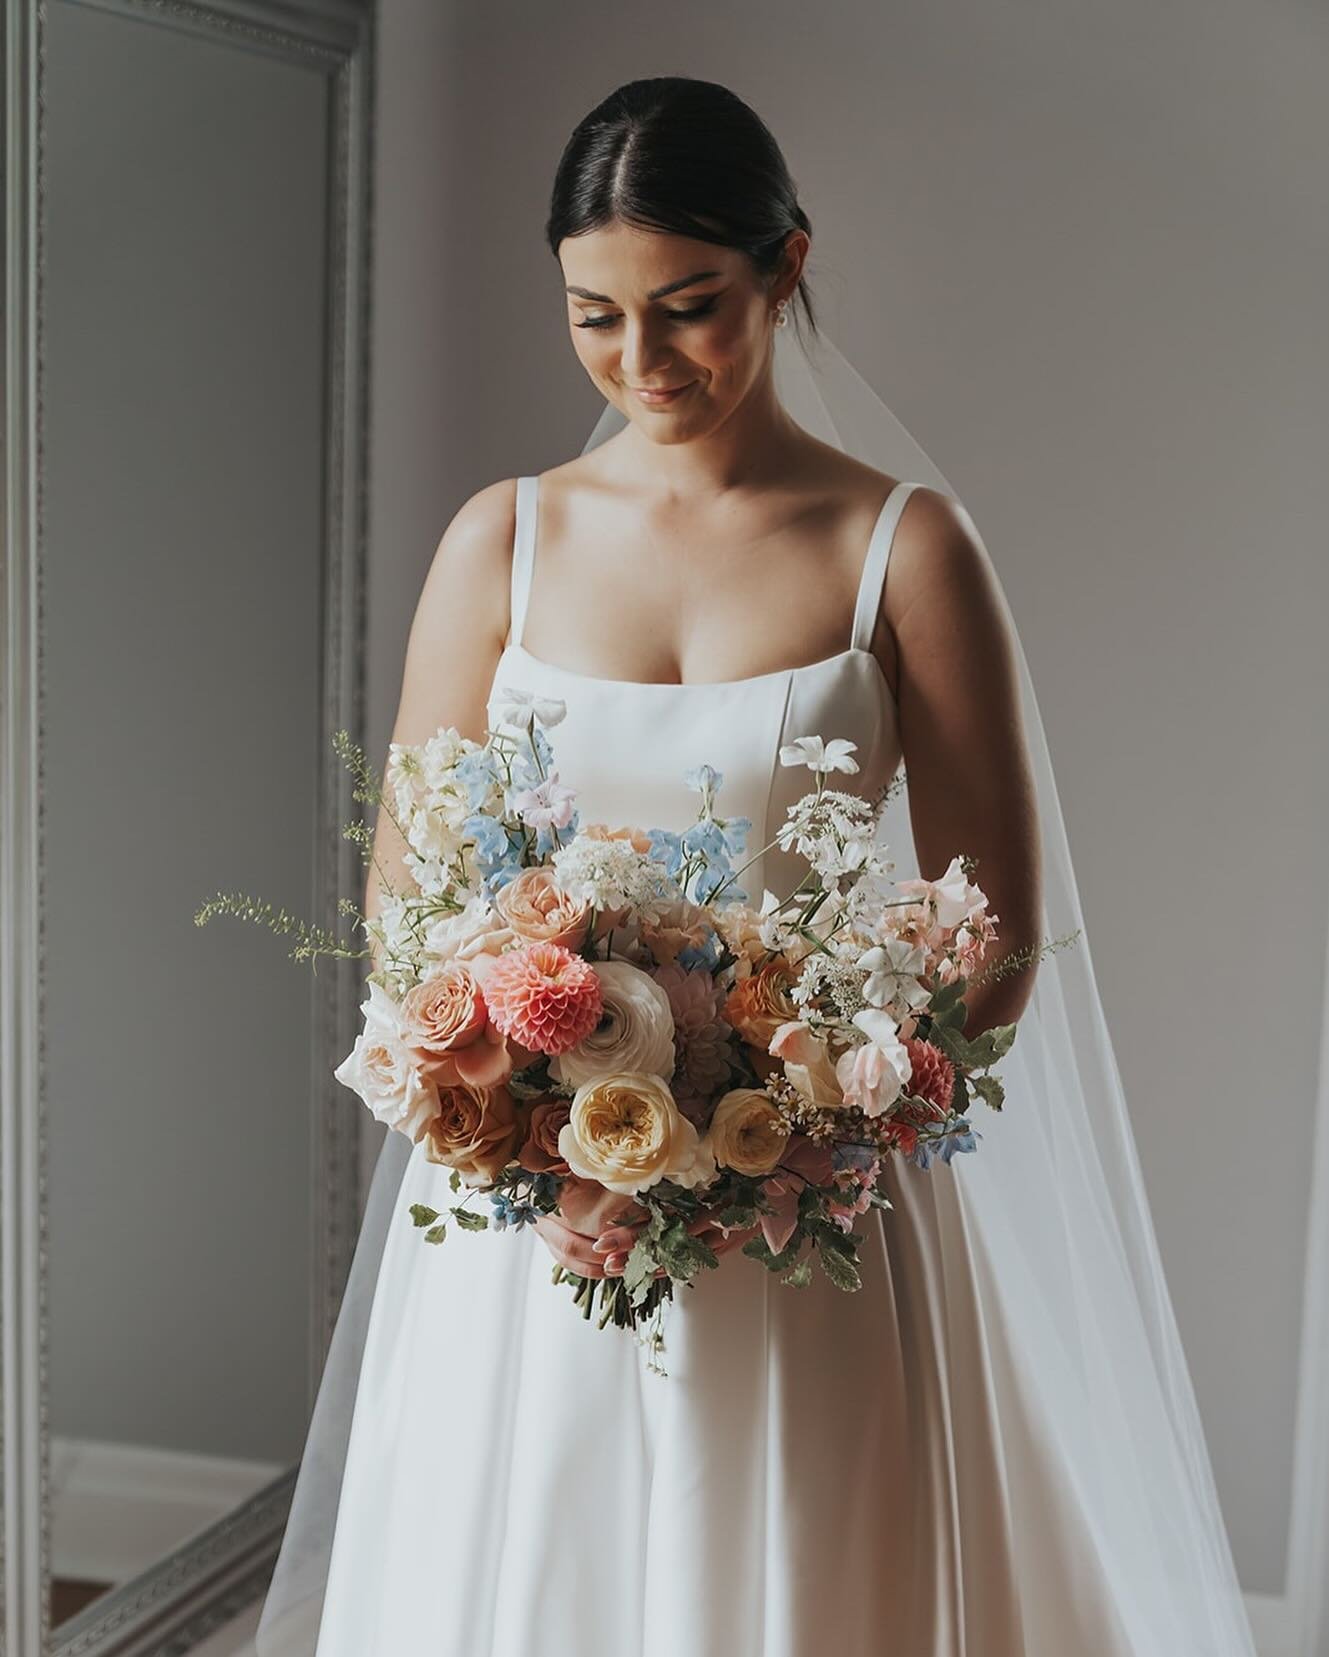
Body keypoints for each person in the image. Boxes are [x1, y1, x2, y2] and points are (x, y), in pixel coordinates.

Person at [257, 76, 1258, 1656]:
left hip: (816, 1205)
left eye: (689, 307)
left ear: (786, 268)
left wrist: (791, 1123)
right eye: (593, 316)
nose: (642, 362)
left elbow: (996, 937)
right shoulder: (497, 542)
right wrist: (536, 1117)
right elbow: (409, 902)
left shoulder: (902, 547)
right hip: (546, 1212)